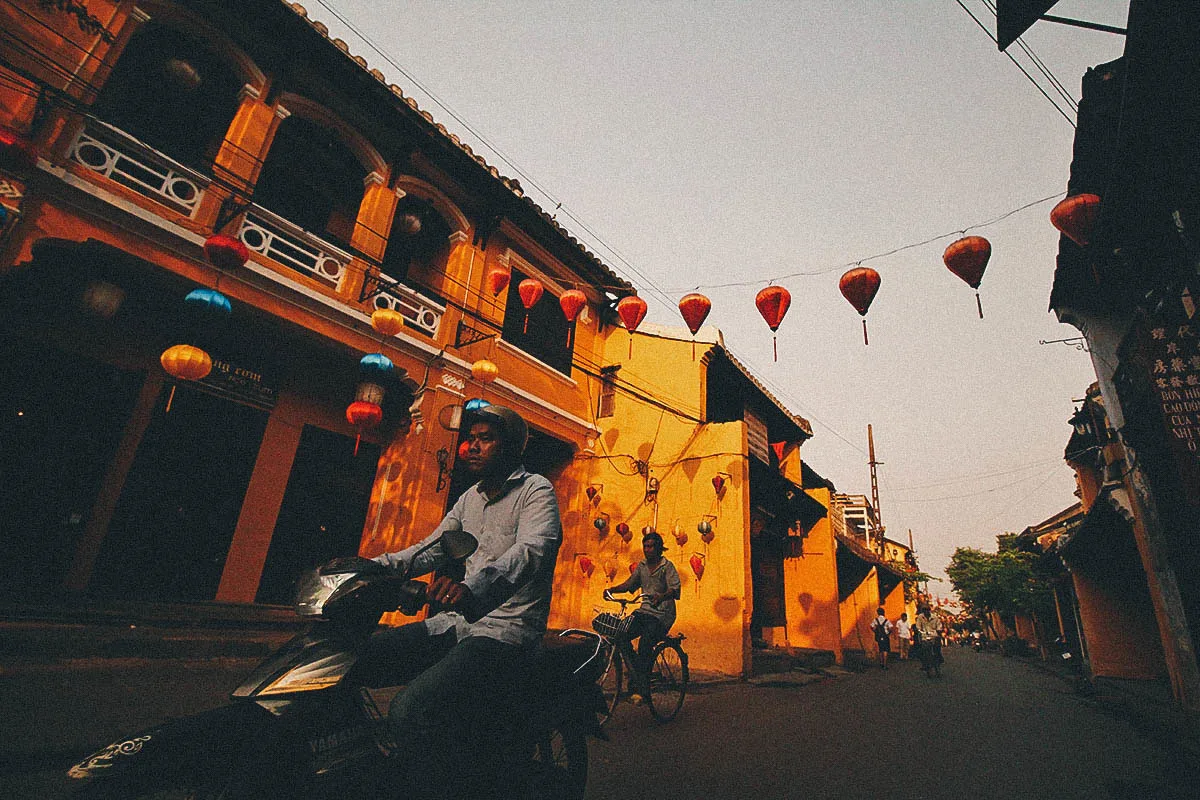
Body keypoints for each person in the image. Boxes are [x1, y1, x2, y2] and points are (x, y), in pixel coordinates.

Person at [360, 405, 563, 797]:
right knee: (357, 658)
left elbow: (533, 550)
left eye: (485, 439)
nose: (472, 447)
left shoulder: (536, 490)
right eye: (471, 439)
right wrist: (372, 568)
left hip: (506, 630)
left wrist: (473, 589)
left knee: (408, 710)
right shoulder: (470, 498)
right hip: (457, 623)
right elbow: (434, 548)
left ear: (511, 448)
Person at [603, 530, 682, 705]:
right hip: (644, 611)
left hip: (662, 614)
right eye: (645, 546)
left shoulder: (666, 566)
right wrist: (612, 590)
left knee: (646, 642)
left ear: (659, 548)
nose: (647, 550)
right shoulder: (642, 566)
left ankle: (643, 687)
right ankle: (636, 672)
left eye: (651, 546)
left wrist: (661, 596)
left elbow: (675, 589)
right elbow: (629, 584)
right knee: (621, 634)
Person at [914, 604, 945, 677]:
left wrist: (938, 631)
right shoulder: (920, 617)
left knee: (937, 652)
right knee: (923, 652)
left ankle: (938, 665)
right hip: (924, 637)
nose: (926, 612)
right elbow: (918, 626)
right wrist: (919, 631)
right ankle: (926, 666)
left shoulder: (935, 617)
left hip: (934, 636)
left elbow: (939, 627)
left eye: (927, 610)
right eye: (924, 611)